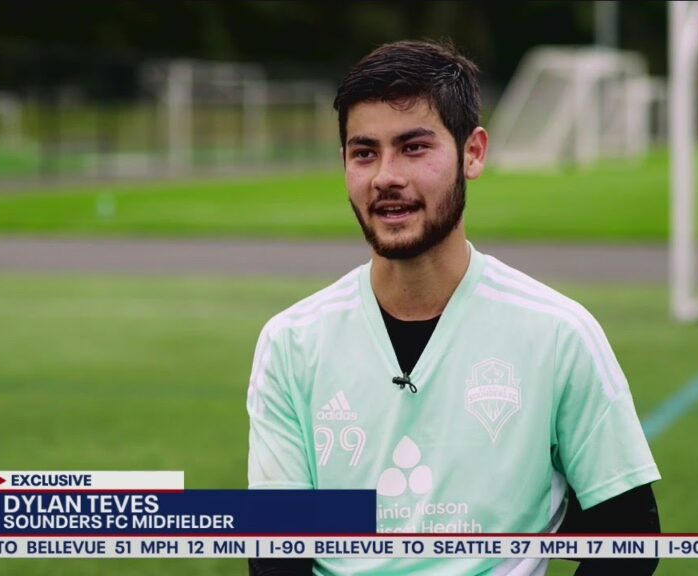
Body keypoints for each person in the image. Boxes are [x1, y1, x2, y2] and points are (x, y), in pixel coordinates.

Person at [247, 40, 661, 576]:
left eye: (414, 147)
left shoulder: (559, 333)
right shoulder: (291, 341)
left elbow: (628, 539)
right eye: (364, 152)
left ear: (473, 153)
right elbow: (278, 556)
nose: (385, 176)